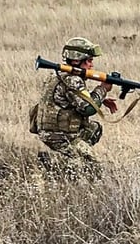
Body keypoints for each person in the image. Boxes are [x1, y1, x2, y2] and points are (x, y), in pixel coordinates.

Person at [30, 37, 118, 176]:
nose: (91, 65)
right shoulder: (72, 80)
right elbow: (88, 109)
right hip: (60, 135)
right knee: (94, 168)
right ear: (76, 61)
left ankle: (72, 155)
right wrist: (102, 90)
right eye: (88, 60)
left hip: (49, 130)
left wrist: (101, 99)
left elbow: (70, 98)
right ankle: (55, 162)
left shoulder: (57, 74)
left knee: (94, 128)